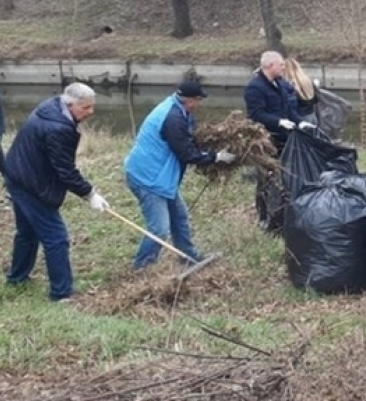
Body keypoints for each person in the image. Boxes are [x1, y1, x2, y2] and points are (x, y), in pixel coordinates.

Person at [4, 83, 109, 301]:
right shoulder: (58, 128)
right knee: (57, 238)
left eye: (92, 107)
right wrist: (90, 194)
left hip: (17, 174)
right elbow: (65, 170)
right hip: (31, 184)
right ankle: (61, 294)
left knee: (27, 232)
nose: (91, 112)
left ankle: (17, 278)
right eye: (85, 108)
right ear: (70, 104)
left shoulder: (51, 106)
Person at [124, 81, 236, 270]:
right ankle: (142, 267)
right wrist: (215, 157)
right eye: (199, 100)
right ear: (191, 101)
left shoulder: (177, 109)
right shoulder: (173, 118)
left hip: (161, 177)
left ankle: (188, 256)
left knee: (180, 216)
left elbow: (188, 140)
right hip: (148, 178)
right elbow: (186, 153)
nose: (200, 104)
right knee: (159, 229)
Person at [244, 51, 314, 229]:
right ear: (270, 66)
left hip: (284, 139)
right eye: (281, 64)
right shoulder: (255, 87)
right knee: (265, 178)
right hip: (266, 140)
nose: (284, 67)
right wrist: (278, 122)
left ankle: (282, 213)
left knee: (286, 177)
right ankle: (264, 216)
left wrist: (300, 123)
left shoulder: (280, 84)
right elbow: (256, 114)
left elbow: (289, 110)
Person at [283, 57, 319, 127]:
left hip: (300, 119)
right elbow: (316, 100)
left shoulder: (289, 85)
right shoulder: (307, 81)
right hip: (312, 116)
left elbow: (291, 106)